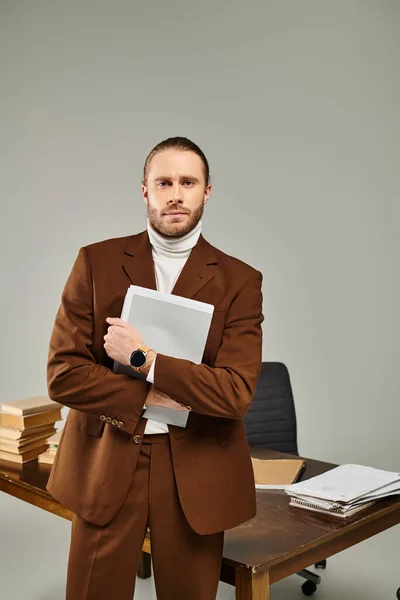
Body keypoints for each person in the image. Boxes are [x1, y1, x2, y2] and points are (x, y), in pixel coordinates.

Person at [46, 136, 264, 600]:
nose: (175, 193)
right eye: (163, 182)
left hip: (196, 465)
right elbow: (63, 373)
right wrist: (149, 396)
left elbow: (234, 393)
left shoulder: (241, 281)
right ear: (144, 190)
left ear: (207, 191)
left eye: (188, 182)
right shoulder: (96, 262)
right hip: (108, 457)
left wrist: (144, 360)